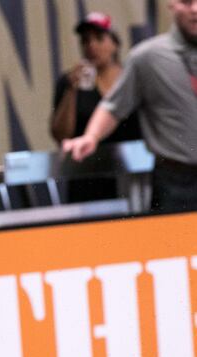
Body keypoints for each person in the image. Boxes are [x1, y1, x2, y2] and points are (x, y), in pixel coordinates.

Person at [63, 0, 197, 213]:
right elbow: (113, 106)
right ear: (172, 4)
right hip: (175, 179)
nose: (195, 9)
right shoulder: (148, 57)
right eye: (187, 2)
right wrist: (91, 136)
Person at [50, 12, 142, 202]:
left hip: (136, 175)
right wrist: (71, 91)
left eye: (99, 38)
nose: (91, 45)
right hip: (88, 178)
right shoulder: (70, 83)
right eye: (85, 41)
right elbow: (61, 135)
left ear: (115, 43)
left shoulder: (133, 79)